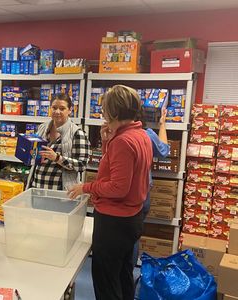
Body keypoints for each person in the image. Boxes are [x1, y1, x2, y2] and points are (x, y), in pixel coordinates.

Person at [68, 85, 153, 300]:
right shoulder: (140, 134)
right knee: (123, 274)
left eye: (104, 107)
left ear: (113, 111)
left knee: (106, 280)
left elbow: (118, 188)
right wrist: (107, 142)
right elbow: (120, 170)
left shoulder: (123, 141)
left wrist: (85, 187)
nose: (102, 111)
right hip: (131, 218)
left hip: (114, 221)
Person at [132, 108, 171, 266]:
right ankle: (128, 275)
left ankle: (125, 276)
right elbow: (164, 150)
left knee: (127, 237)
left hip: (131, 196)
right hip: (143, 193)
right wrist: (162, 125)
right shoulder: (147, 134)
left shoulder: (121, 135)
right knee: (133, 236)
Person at [32, 93, 90, 190]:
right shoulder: (42, 128)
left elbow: (82, 165)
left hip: (61, 192)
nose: (57, 111)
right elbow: (35, 155)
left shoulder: (77, 133)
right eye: (54, 108)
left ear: (70, 110)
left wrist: (57, 158)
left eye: (62, 108)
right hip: (38, 187)